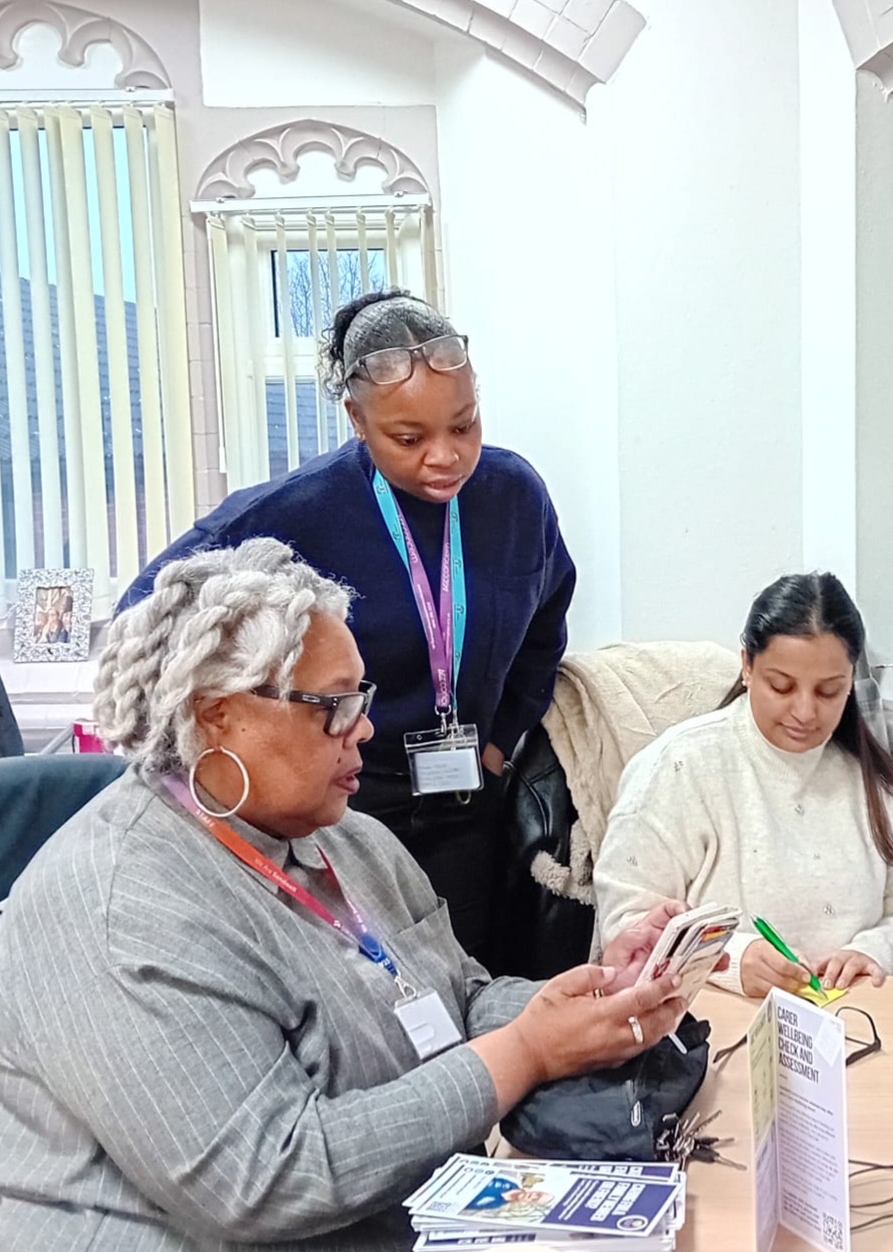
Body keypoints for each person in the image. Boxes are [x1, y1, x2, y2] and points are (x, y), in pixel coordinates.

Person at [0, 540, 683, 1251]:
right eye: (332, 705)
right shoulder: (122, 906)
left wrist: (597, 994)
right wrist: (526, 1054)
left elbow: (459, 997)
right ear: (215, 716)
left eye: (362, 697)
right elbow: (266, 1179)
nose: (363, 726)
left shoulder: (346, 837)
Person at [120, 290, 575, 966]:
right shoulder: (295, 511)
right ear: (356, 419)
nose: (445, 456)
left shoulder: (513, 495)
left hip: (467, 801)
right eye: (409, 438)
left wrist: (500, 742)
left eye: (465, 425)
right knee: (364, 989)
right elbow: (145, 618)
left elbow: (546, 624)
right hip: (345, 806)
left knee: (465, 978)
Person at [595, 572, 893, 998]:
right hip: (715, 1028)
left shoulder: (874, 782)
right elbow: (627, 927)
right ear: (747, 665)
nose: (804, 712)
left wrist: (877, 953)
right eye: (782, 686)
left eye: (829, 692)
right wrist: (733, 961)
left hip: (853, 1021)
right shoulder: (679, 768)